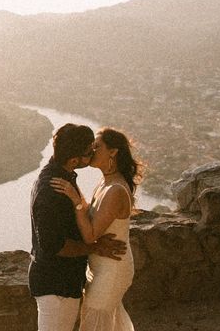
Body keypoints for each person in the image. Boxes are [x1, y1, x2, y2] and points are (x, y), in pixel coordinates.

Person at [29, 123, 127, 331]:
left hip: (64, 282)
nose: (92, 153)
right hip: (56, 284)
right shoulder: (52, 192)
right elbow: (53, 246)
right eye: (88, 151)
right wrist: (95, 247)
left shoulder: (63, 178)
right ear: (75, 160)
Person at [51, 127, 143, 331]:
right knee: (106, 322)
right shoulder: (106, 182)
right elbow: (92, 214)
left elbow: (90, 234)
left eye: (97, 146)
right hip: (101, 267)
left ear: (113, 152)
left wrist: (75, 200)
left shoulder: (116, 190)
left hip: (112, 268)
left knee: (94, 320)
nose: (91, 151)